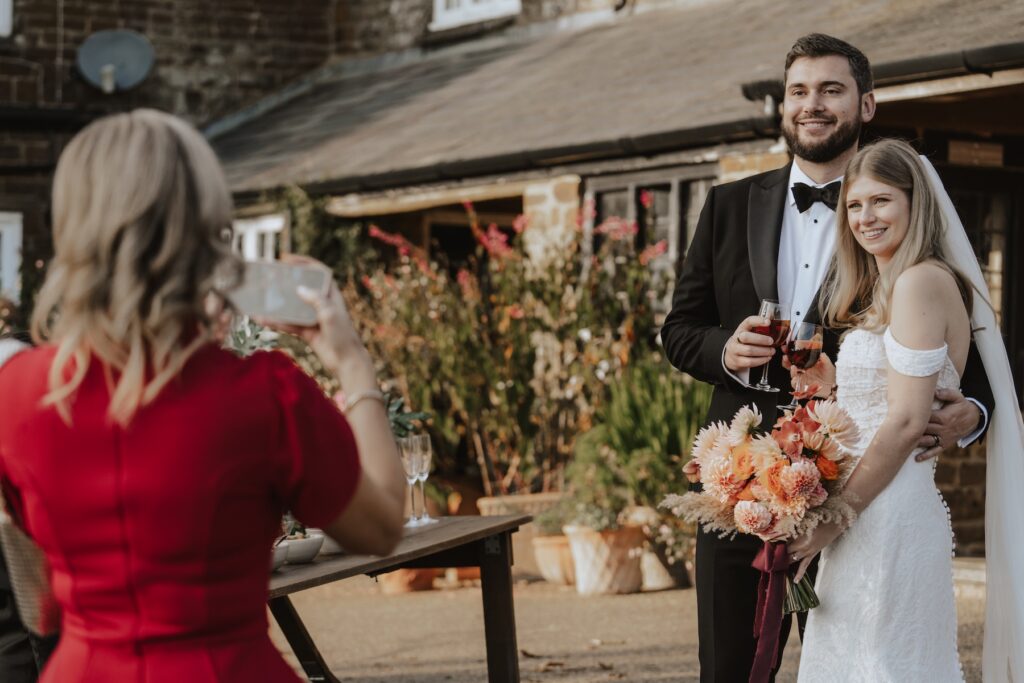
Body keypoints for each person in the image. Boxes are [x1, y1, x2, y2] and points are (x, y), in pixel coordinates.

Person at [0, 109, 407, 682]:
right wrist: (351, 362)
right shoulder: (264, 395)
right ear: (207, 232)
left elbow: (34, 576)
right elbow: (383, 526)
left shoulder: (14, 394)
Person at [660, 34, 994, 681]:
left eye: (831, 90)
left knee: (853, 658)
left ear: (866, 104)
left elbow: (972, 349)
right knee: (727, 667)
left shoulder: (902, 225)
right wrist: (724, 350)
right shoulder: (729, 204)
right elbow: (679, 328)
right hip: (741, 484)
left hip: (858, 486)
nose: (812, 104)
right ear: (783, 106)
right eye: (798, 91)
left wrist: (970, 412)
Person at [788, 139, 1024, 681]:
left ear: (915, 203)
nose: (865, 218)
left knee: (884, 666)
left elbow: (904, 421)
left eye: (881, 201)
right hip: (869, 508)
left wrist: (832, 519)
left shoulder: (920, 280)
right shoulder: (888, 284)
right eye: (854, 205)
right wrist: (835, 385)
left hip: (885, 513)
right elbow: (886, 400)